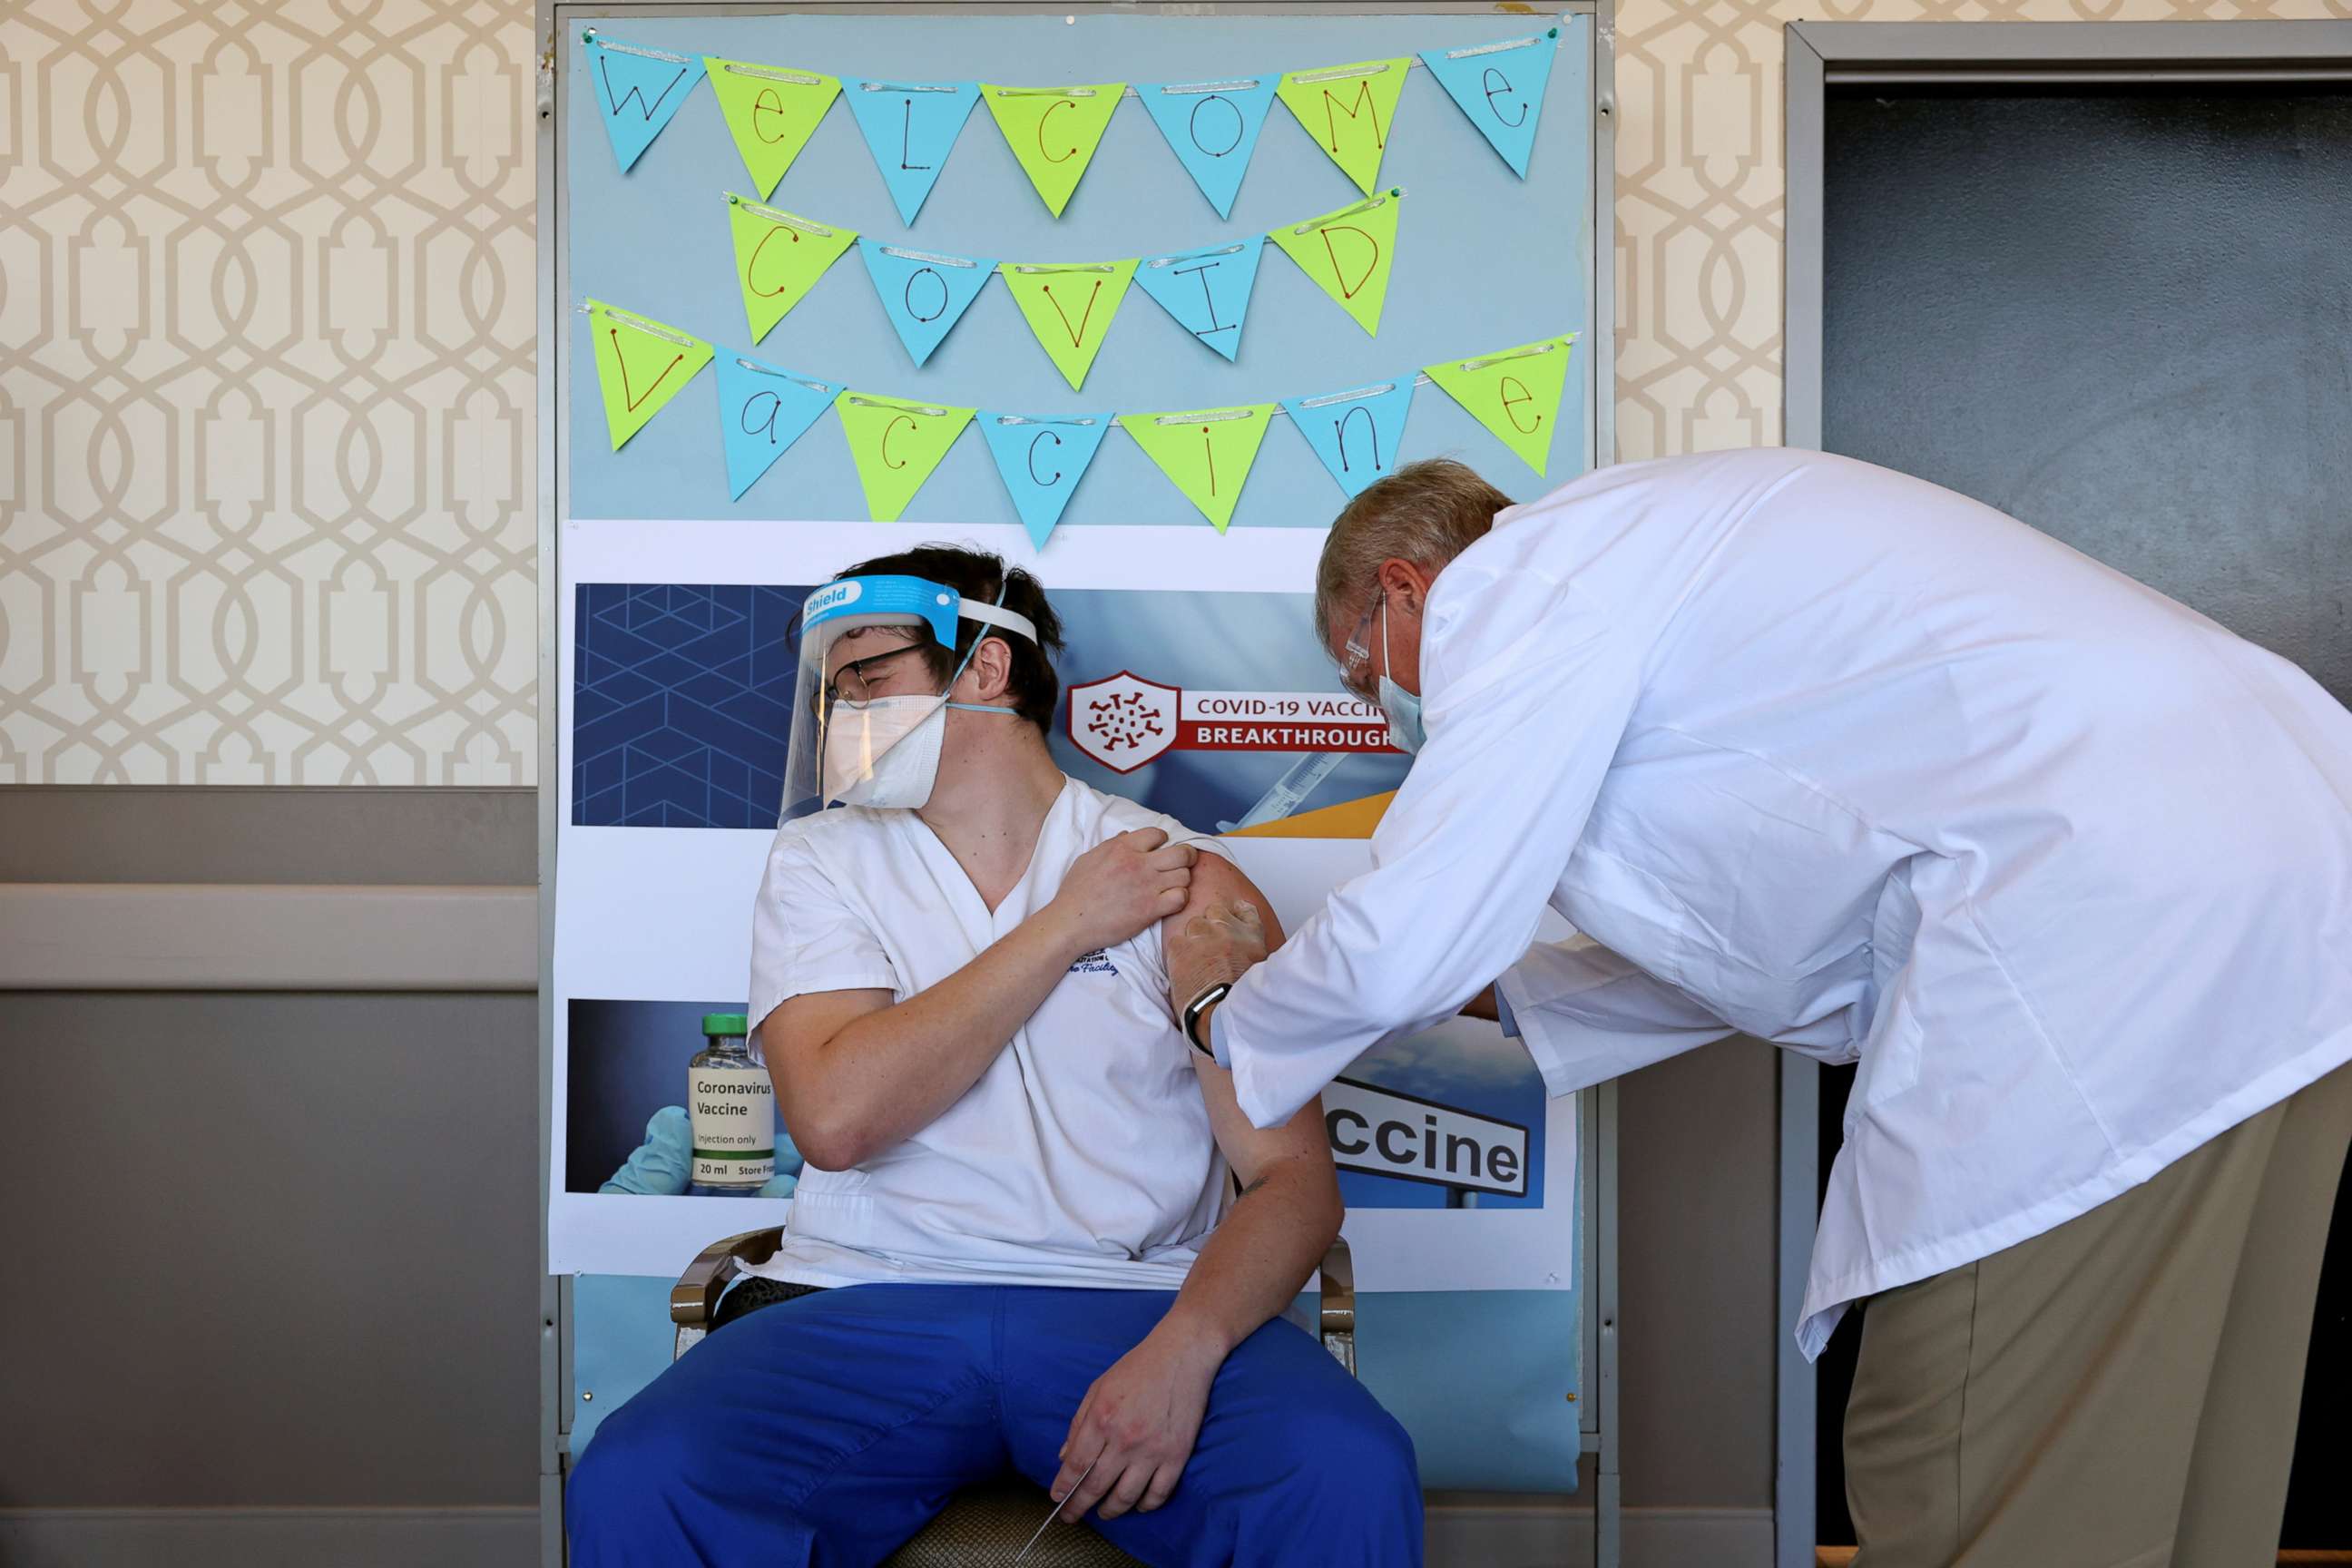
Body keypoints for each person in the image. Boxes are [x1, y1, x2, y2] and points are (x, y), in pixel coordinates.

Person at [1167, 451, 2352, 1567]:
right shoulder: (1663, 573)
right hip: (2294, 893)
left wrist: (1229, 1013)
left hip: (2107, 931)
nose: (1382, 710)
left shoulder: (1523, 587)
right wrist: (1496, 997)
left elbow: (1422, 919)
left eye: (1364, 669)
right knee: (2182, 1449)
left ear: (1405, 586)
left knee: (1958, 1464)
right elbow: (1742, 939)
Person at [566, 544, 1421, 1568]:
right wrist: (1065, 927)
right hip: (865, 1298)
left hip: (1135, 1303)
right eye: (833, 694)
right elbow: (836, 1121)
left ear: (984, 669)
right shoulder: (820, 864)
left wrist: (1184, 1355)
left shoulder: (1184, 877)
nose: (846, 717)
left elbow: (1290, 1178)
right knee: (641, 1473)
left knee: (1347, 1467)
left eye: (872, 680)